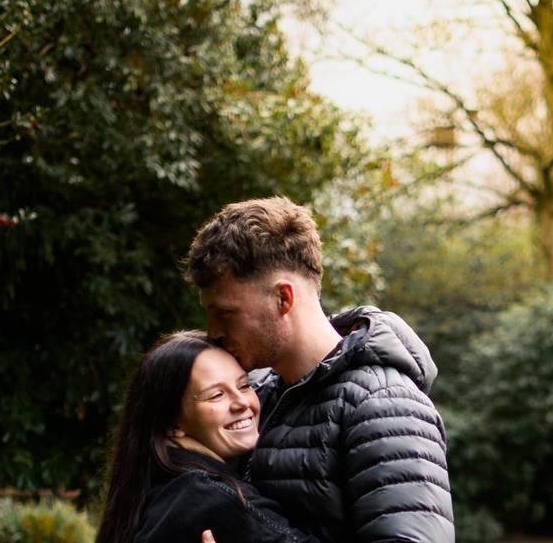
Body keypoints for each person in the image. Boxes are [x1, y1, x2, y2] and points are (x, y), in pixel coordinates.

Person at [185, 196, 455, 542]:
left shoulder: (386, 407)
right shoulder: (257, 394)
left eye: (225, 313)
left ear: (283, 298)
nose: (213, 332)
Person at [96, 330, 320, 543]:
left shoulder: (157, 492)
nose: (242, 402)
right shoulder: (210, 497)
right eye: (216, 395)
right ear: (172, 423)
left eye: (244, 385)